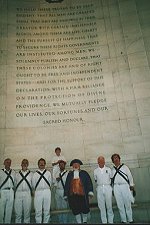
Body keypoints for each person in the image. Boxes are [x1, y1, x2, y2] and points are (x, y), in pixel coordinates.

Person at [64, 159, 94, 223]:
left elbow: (89, 182)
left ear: (79, 165)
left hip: (83, 195)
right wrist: (65, 194)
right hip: (73, 196)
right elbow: (67, 185)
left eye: (77, 164)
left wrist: (90, 191)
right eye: (74, 165)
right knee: (76, 209)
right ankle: (79, 222)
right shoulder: (70, 175)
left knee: (84, 208)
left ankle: (85, 221)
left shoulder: (84, 173)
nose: (75, 166)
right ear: (72, 166)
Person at [111, 153, 135, 223]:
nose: (116, 159)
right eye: (114, 158)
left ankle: (130, 219)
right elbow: (111, 180)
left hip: (125, 186)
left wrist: (131, 185)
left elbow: (130, 176)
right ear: (113, 161)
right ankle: (123, 220)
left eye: (117, 158)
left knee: (127, 203)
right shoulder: (112, 170)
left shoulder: (125, 167)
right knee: (120, 204)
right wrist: (112, 189)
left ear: (119, 159)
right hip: (116, 187)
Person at [94, 156, 114, 223]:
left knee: (109, 205)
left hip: (107, 187)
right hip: (99, 188)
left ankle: (111, 221)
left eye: (102, 161)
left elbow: (111, 178)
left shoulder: (108, 169)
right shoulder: (95, 171)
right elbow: (96, 180)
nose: (101, 162)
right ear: (98, 162)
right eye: (100, 161)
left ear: (104, 161)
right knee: (101, 206)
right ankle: (104, 221)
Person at [32, 158, 52, 223]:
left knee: (47, 209)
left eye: (43, 163)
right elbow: (33, 184)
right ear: (38, 164)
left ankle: (46, 222)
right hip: (38, 192)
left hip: (47, 191)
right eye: (40, 163)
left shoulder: (48, 173)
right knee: (38, 210)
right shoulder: (35, 174)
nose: (41, 164)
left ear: (45, 164)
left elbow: (50, 182)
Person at [14, 159, 33, 223]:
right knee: (18, 212)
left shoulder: (31, 174)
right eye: (23, 163)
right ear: (21, 164)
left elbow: (33, 184)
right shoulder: (16, 174)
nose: (24, 164)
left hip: (27, 193)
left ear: (28, 165)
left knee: (27, 212)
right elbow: (14, 184)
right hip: (18, 193)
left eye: (26, 163)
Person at [0, 158, 15, 223]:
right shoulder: (0, 172)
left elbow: (15, 182)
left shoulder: (13, 172)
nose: (8, 164)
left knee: (9, 208)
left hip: (11, 191)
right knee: (1, 208)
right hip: (2, 191)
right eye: (7, 162)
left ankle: (7, 222)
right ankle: (1, 221)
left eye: (9, 162)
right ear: (4, 163)